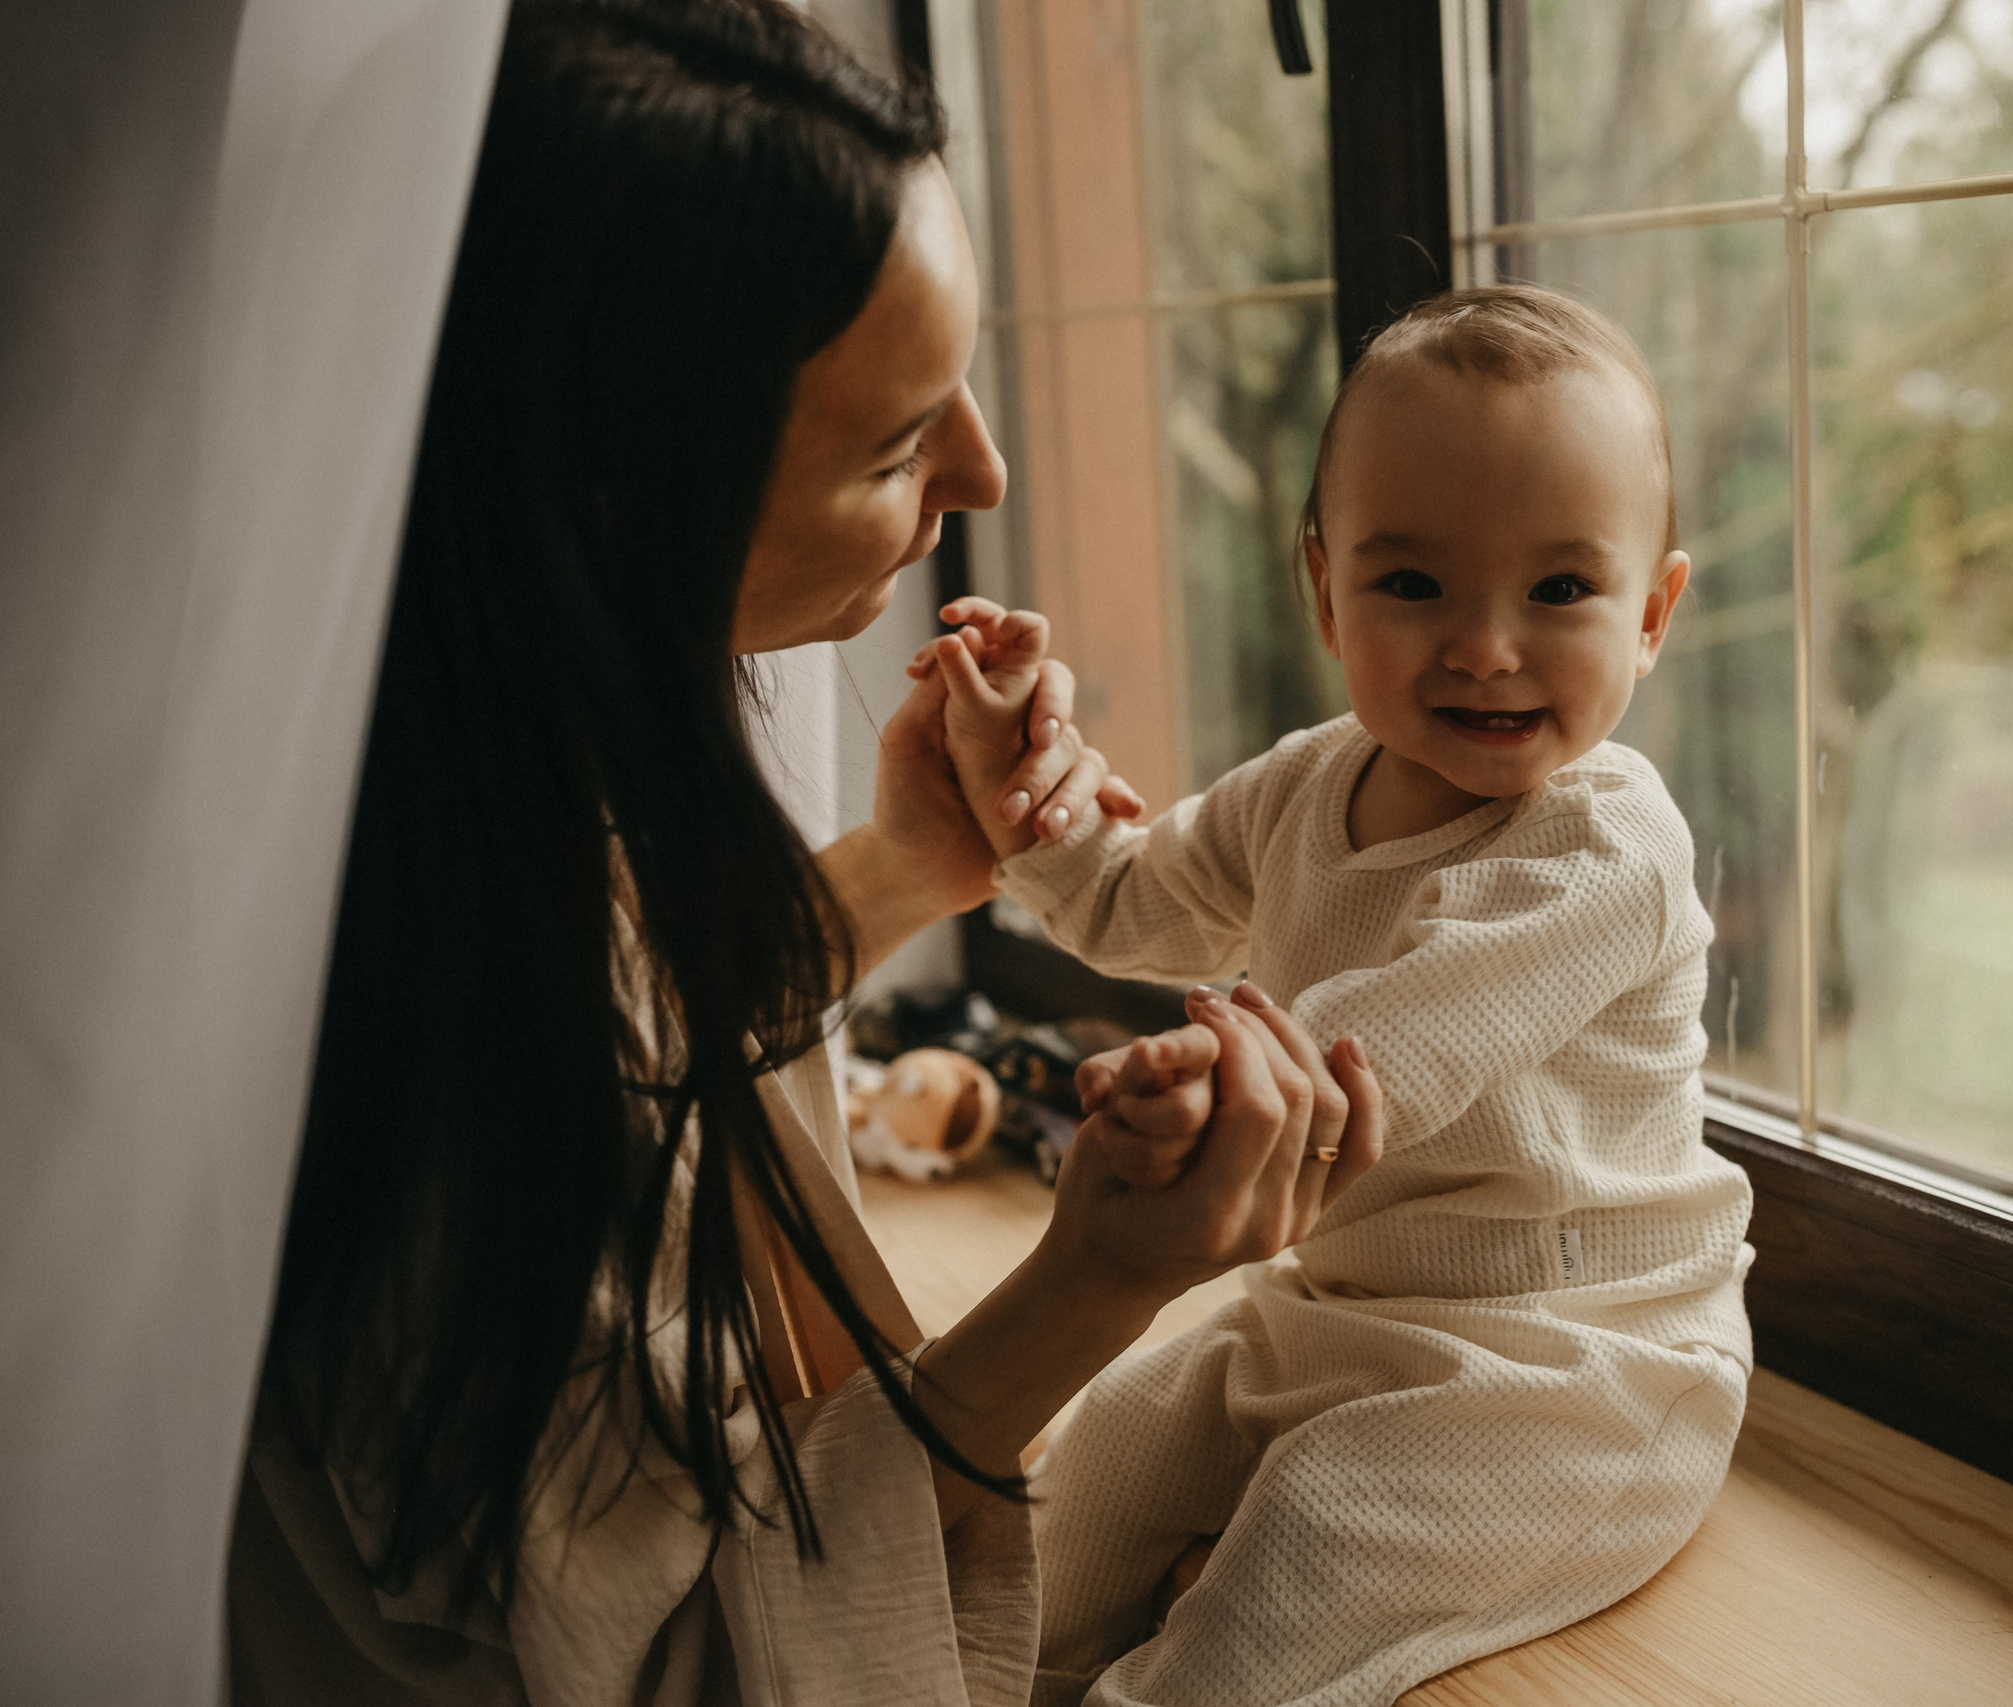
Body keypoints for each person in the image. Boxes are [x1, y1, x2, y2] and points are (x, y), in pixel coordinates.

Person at [224, 3, 1381, 1703]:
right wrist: (1093, 1281)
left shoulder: (462, 770)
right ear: (616, 498)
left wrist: (913, 861)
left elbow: (632, 1035)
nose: (981, 469)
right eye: (902, 443)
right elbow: (694, 1658)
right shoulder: (418, 1057)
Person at [927, 287, 1757, 1707]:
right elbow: (1137, 900)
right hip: (1331, 1304)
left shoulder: (1607, 845)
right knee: (1099, 1463)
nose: (1487, 647)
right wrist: (1023, 793)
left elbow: (1390, 1049)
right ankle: (964, 1678)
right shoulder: (1315, 780)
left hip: (1566, 1371)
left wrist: (1199, 1085)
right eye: (1414, 585)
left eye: (1561, 591)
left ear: (1654, 612)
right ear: (1324, 589)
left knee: (1301, 1561)